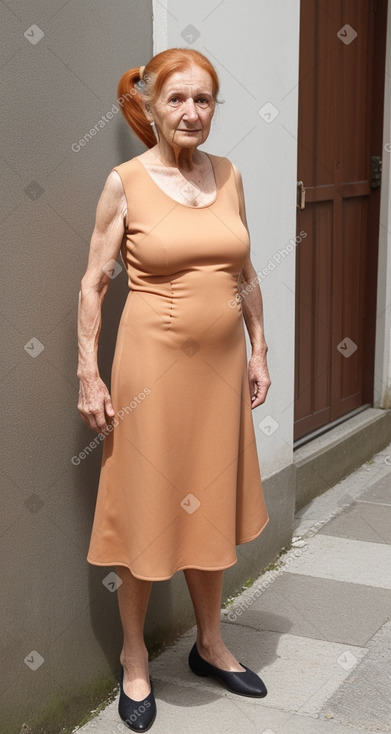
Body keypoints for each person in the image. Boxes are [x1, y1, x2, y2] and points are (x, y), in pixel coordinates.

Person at [77, 47, 271, 733]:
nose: (191, 113)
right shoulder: (125, 182)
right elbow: (94, 282)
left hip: (219, 374)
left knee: (210, 499)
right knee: (144, 506)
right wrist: (88, 373)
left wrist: (260, 349)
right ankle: (134, 658)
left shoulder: (229, 175)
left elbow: (243, 269)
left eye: (204, 100)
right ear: (151, 105)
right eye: (178, 100)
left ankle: (210, 644)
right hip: (148, 374)